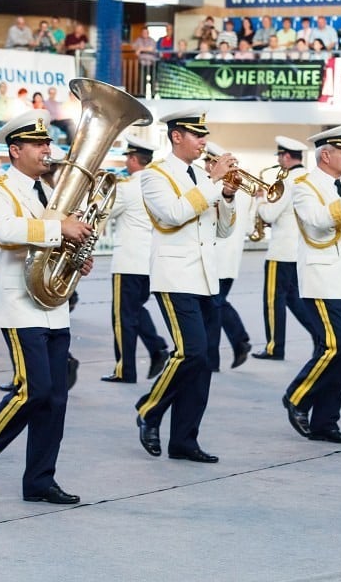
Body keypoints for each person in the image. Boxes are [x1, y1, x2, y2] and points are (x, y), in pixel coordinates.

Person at [0, 109, 93, 504]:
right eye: (39, 144)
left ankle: (39, 480)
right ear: (15, 149)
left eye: (47, 143)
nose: (47, 150)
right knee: (33, 390)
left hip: (53, 304)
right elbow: (5, 232)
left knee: (56, 397)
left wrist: (76, 257)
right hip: (20, 305)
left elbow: (58, 240)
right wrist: (61, 229)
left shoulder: (50, 191)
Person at [135, 108, 237, 464]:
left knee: (204, 361)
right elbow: (174, 214)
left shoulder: (204, 176)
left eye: (204, 134)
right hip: (175, 277)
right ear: (177, 136)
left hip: (206, 277)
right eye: (197, 135)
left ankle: (184, 439)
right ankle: (149, 409)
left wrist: (227, 195)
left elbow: (223, 231)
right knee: (190, 352)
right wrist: (213, 184)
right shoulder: (155, 175)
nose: (204, 141)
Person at [282, 124, 341, 445]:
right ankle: (297, 396)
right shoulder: (304, 184)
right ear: (326, 154)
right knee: (336, 346)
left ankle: (326, 421)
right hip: (321, 278)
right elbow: (318, 220)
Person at [101, 135, 170, 384]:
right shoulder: (158, 185)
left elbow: (103, 213)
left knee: (122, 316)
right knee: (135, 311)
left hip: (128, 261)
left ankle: (125, 369)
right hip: (150, 260)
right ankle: (157, 348)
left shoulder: (127, 187)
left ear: (132, 159)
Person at [252, 136, 316, 361]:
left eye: (280, 156)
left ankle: (274, 347)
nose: (279, 160)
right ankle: (320, 335)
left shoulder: (288, 182)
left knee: (273, 300)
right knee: (294, 299)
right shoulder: (308, 179)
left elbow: (269, 214)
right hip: (299, 250)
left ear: (287, 156)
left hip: (280, 251)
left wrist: (260, 201)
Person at [204, 141, 252, 370]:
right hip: (231, 258)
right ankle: (237, 343)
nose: (206, 167)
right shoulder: (244, 191)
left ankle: (236, 342)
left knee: (214, 308)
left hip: (216, 256)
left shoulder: (216, 188)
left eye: (208, 162)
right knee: (216, 306)